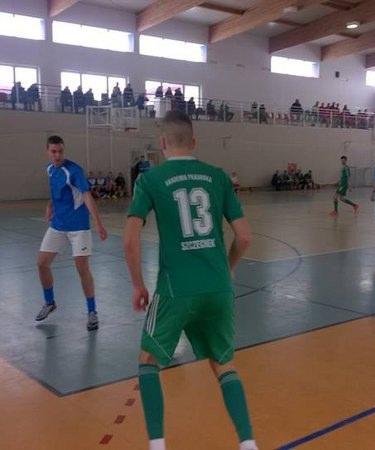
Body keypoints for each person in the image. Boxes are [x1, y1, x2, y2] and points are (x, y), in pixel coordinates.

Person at [123, 111, 257, 450]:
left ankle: (157, 445)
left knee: (148, 361)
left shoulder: (150, 180)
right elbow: (244, 237)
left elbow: (130, 240)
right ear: (194, 142)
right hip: (218, 288)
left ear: (162, 143)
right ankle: (248, 443)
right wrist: (227, 269)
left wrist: (138, 284)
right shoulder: (218, 177)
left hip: (175, 288)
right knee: (224, 365)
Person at [36, 136, 108, 328]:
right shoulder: (50, 169)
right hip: (58, 225)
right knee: (42, 263)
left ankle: (92, 311)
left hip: (78, 227)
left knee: (82, 269)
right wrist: (50, 205)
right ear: (48, 152)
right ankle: (50, 303)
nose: (57, 155)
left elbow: (87, 196)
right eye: (53, 151)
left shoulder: (74, 171)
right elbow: (55, 191)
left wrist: (99, 224)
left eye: (60, 151)